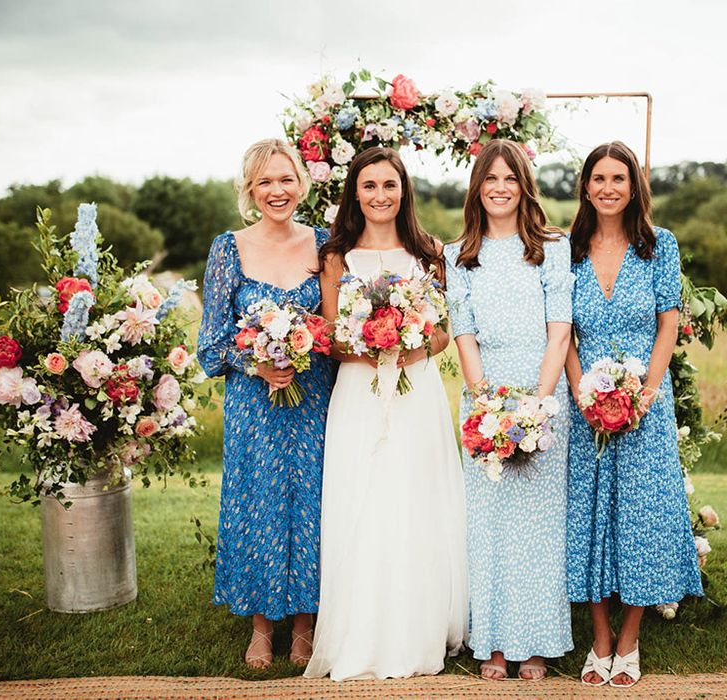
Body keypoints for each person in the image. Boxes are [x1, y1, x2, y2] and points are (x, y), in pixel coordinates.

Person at [304, 147, 468, 681]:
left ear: (404, 192)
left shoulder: (430, 253)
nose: (380, 196)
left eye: (390, 186)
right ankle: (361, 630)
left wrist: (412, 341)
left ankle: (417, 629)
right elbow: (328, 338)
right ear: (355, 192)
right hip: (357, 392)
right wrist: (375, 345)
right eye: (369, 185)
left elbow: (444, 330)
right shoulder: (336, 257)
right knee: (363, 500)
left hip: (414, 392)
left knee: (414, 502)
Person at [565, 141, 702, 688]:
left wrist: (646, 391)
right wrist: (581, 392)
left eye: (618, 178)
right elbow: (564, 330)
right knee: (589, 514)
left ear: (633, 185)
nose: (607, 188)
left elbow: (668, 323)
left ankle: (630, 637)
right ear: (585, 186)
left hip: (646, 402)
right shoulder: (567, 247)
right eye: (598, 178)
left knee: (642, 517)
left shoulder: (657, 245)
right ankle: (599, 637)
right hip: (585, 405)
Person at [196, 138, 333, 669]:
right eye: (265, 182)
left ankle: (304, 624)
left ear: (302, 182)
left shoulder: (324, 244)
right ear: (249, 190)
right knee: (258, 504)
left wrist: (304, 346)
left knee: (312, 502)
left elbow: (337, 324)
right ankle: (260, 625)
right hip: (254, 404)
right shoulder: (227, 248)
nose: (277, 191)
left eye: (286, 179)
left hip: (313, 399)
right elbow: (210, 344)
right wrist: (258, 362)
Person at [444, 139, 574, 681]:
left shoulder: (551, 245)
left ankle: (536, 641)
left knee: (539, 527)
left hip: (542, 391)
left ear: (524, 186)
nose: (500, 188)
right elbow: (463, 330)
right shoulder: (458, 255)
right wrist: (489, 405)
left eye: (511, 179)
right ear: (478, 187)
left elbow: (560, 326)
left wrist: (538, 405)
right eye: (491, 179)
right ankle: (494, 643)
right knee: (490, 524)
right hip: (486, 392)